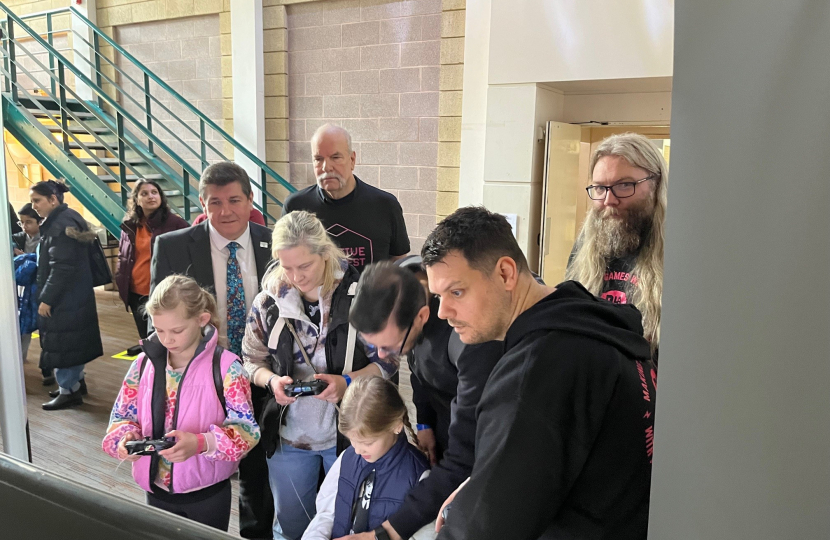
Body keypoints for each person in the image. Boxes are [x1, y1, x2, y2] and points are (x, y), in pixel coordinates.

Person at [421, 207, 656, 540]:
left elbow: (485, 530)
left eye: (456, 292)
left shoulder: (538, 370)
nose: (443, 312)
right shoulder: (586, 323)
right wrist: (478, 488)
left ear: (505, 273)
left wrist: (477, 504)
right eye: (437, 296)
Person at [242, 210, 396, 540]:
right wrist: (271, 381)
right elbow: (251, 361)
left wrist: (348, 383)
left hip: (351, 435)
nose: (296, 276)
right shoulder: (268, 302)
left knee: (348, 521)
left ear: (324, 253)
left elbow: (388, 361)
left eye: (305, 265)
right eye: (287, 267)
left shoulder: (363, 296)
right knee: (292, 525)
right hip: (290, 436)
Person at [150, 161, 275, 540]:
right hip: (204, 379)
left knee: (259, 468)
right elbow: (158, 319)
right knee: (204, 463)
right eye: (215, 202)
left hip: (261, 374)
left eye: (235, 200)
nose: (226, 211)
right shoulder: (172, 246)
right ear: (201, 204)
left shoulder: (272, 243)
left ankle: (256, 533)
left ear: (250, 200)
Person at [348, 259, 503, 540]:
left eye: (388, 346)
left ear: (421, 316)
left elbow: (463, 460)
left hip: (486, 444)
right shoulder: (408, 286)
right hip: (446, 415)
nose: (381, 356)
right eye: (373, 345)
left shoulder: (469, 342)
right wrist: (425, 424)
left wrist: (385, 533)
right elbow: (419, 369)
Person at [102, 275, 260, 531]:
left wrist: (201, 443)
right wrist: (125, 438)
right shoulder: (142, 365)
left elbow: (247, 432)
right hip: (155, 490)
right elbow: (121, 417)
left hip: (207, 494)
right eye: (159, 330)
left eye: (176, 330)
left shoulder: (228, 368)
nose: (167, 339)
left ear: (202, 319)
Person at [565, 133, 667, 359]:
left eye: (624, 185)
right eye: (600, 188)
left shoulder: (680, 249)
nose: (609, 200)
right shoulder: (586, 243)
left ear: (656, 184)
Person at [302, 376, 430, 540]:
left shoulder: (419, 476)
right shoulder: (347, 457)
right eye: (351, 440)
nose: (357, 449)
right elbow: (326, 513)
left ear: (396, 425)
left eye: (367, 442)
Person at [282, 124, 410, 273]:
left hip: (370, 295)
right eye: (318, 159)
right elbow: (283, 263)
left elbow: (399, 261)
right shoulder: (296, 207)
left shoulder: (385, 205)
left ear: (352, 159)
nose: (326, 167)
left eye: (335, 157)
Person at [30, 180, 103, 411]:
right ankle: (75, 383)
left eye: (37, 201)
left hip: (64, 298)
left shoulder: (59, 225)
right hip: (75, 295)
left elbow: (62, 266)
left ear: (53, 199)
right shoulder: (68, 218)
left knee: (63, 343)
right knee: (73, 341)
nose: (34, 206)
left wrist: (47, 298)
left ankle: (68, 391)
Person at [116, 179, 189, 356]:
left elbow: (188, 255)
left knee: (167, 340)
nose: (150, 196)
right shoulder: (130, 225)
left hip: (162, 293)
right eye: (144, 193)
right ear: (137, 200)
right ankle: (152, 374)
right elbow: (123, 255)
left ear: (161, 197)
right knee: (147, 339)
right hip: (136, 293)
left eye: (154, 192)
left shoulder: (175, 224)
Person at [13, 203, 50, 380]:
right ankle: (19, 360)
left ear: (39, 222)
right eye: (22, 222)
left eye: (29, 222)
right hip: (24, 291)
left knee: (44, 328)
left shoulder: (46, 239)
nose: (25, 226)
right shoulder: (19, 239)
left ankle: (48, 367)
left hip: (41, 290)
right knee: (23, 326)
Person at [192, 206, 266, 226]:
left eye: (234, 201)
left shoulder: (252, 215)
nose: (226, 213)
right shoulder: (202, 220)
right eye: (216, 203)